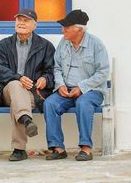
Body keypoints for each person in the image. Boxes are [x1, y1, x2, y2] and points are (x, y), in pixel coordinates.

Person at [44, 9, 109, 161]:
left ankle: (86, 148)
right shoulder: (63, 43)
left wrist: (82, 87)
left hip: (91, 91)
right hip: (66, 90)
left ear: (79, 29)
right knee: (50, 103)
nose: (63, 30)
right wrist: (60, 85)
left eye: (66, 27)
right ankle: (58, 148)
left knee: (83, 102)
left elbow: (102, 72)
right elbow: (57, 67)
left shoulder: (96, 44)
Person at [0, 8, 55, 161]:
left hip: (34, 94)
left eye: (25, 20)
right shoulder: (4, 45)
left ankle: (19, 149)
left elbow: (52, 71)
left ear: (35, 25)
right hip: (8, 91)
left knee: (19, 102)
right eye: (18, 20)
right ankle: (26, 120)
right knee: (15, 86)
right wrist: (18, 78)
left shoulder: (46, 46)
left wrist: (45, 79)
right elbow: (0, 69)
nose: (21, 23)